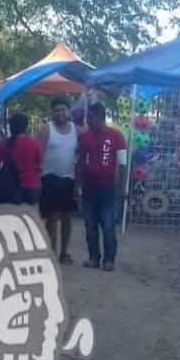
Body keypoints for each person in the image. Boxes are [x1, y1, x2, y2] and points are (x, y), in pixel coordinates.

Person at [77, 103, 127, 272]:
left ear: (100, 117)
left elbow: (122, 165)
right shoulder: (84, 137)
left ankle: (109, 259)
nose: (87, 120)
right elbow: (80, 162)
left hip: (108, 188)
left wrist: (121, 188)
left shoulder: (116, 136)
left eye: (90, 117)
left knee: (107, 225)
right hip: (89, 187)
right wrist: (77, 185)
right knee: (89, 224)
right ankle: (93, 257)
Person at [37, 97, 80, 265]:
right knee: (52, 218)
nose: (60, 113)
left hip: (69, 179)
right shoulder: (45, 130)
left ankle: (64, 253)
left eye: (63, 110)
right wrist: (38, 180)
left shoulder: (77, 131)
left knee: (67, 218)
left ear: (68, 111)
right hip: (49, 179)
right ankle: (51, 252)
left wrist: (79, 184)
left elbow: (83, 155)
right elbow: (37, 156)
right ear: (52, 113)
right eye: (56, 110)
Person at [0, 113, 42, 205]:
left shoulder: (3, 144)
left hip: (8, 188)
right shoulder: (34, 144)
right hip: (29, 187)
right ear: (26, 127)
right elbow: (39, 168)